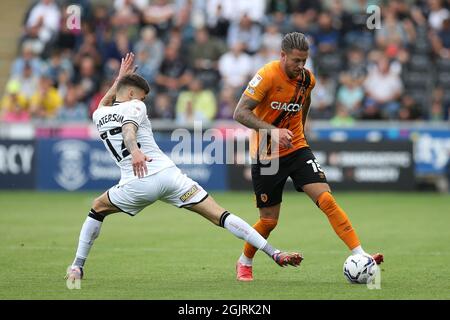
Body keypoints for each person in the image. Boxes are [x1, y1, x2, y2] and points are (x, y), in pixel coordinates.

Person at [65, 53, 302, 282]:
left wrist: (118, 79)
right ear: (131, 94)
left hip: (136, 184)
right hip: (169, 177)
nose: (142, 101)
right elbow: (128, 129)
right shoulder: (135, 106)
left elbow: (109, 103)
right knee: (220, 214)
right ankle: (274, 252)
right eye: (141, 96)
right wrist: (135, 150)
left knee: (97, 208)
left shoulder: (99, 115)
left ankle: (77, 266)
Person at [232, 32, 384, 282]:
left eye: (304, 61)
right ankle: (244, 261)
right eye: (296, 61)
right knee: (269, 221)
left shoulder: (306, 80)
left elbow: (305, 103)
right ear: (282, 56)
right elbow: (240, 113)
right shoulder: (267, 75)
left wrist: (298, 132)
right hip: (266, 154)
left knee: (327, 200)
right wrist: (273, 131)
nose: (301, 66)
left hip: (296, 148)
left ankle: (361, 254)